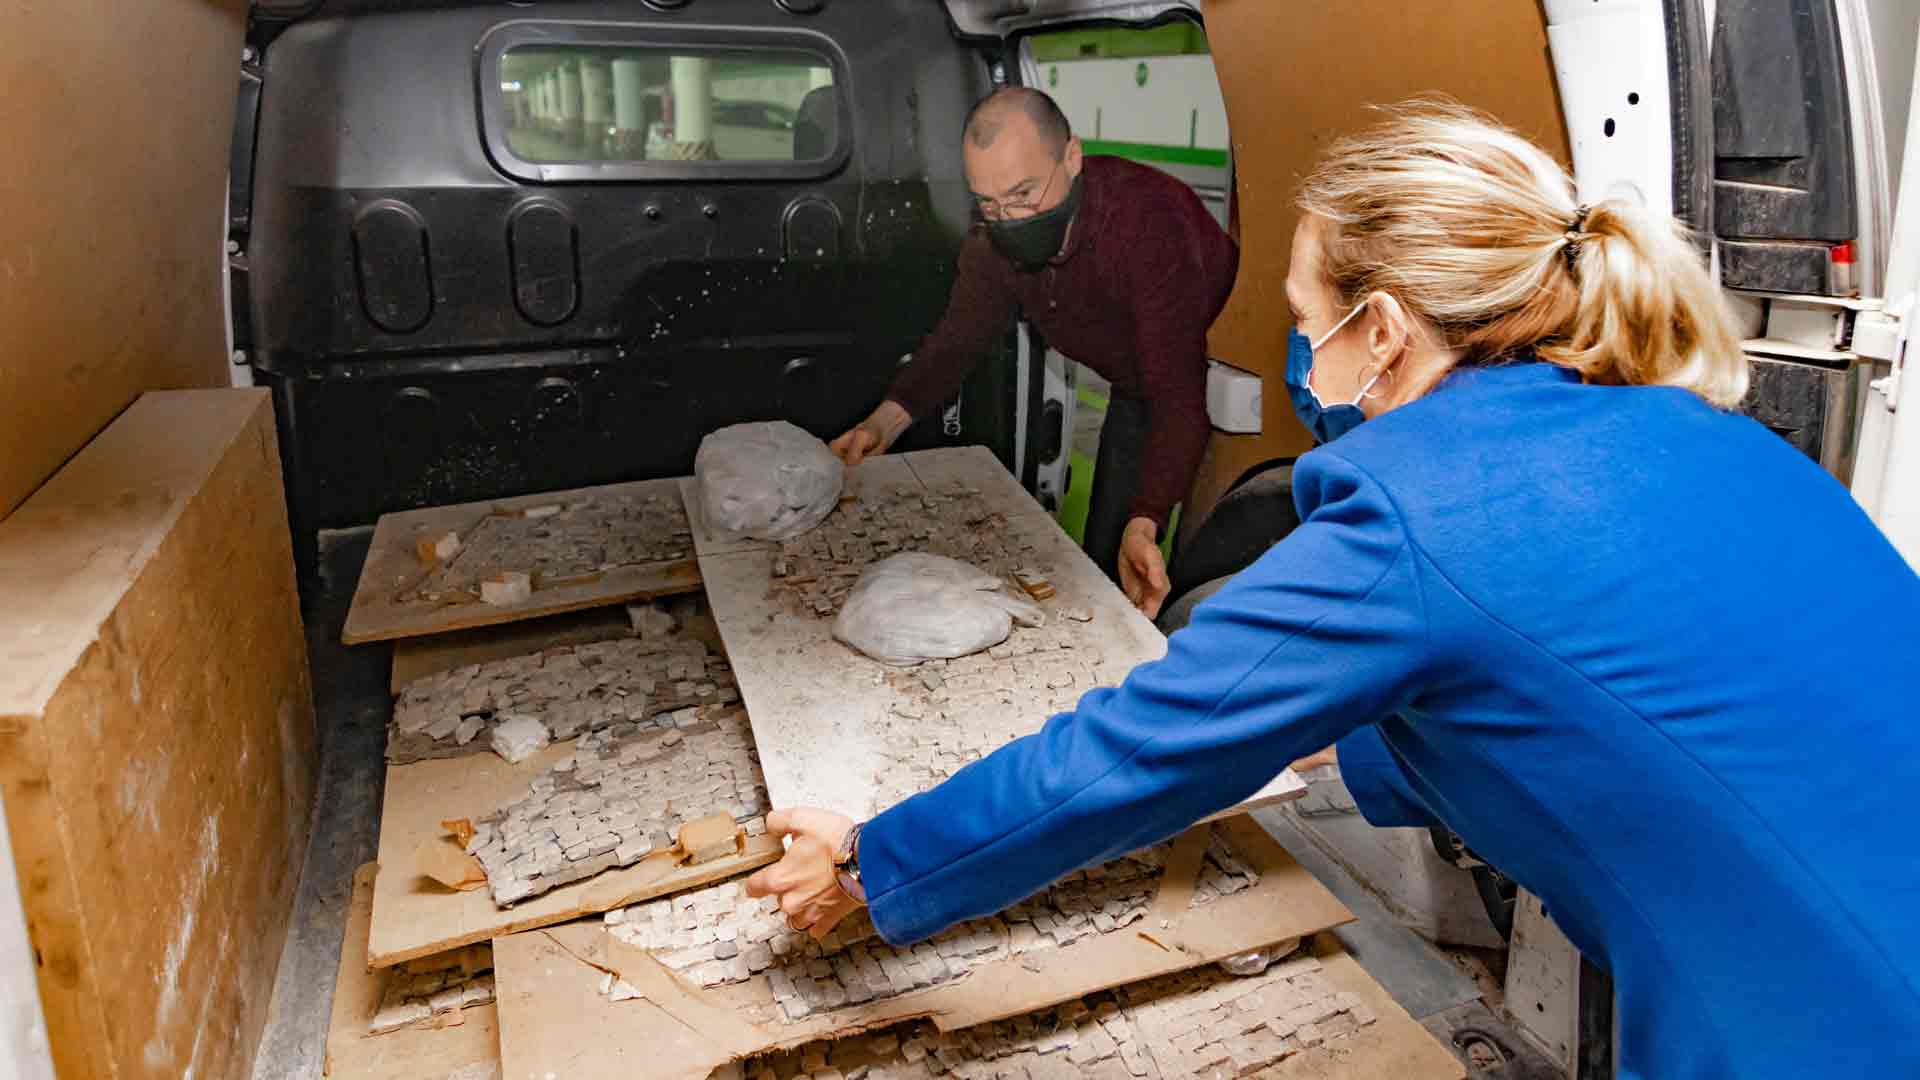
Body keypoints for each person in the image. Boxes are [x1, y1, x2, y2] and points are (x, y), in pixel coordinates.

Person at [746, 102, 1920, 1078]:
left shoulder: (1414, 511)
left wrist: (876, 863)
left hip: (1825, 1019)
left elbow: (1133, 751)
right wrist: (1308, 751)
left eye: (1308, 325)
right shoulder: (1694, 423)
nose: (1304, 357)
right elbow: (1568, 693)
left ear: (1387, 330)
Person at [828, 87, 1238, 619]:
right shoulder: (993, 243)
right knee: (1105, 554)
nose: (1011, 218)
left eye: (1024, 194)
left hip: (1214, 374)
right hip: (1137, 384)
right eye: (990, 203)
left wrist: (1148, 519)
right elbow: (957, 342)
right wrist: (881, 425)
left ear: (1071, 157)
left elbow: (1178, 391)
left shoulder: (1146, 222)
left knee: (1180, 545)